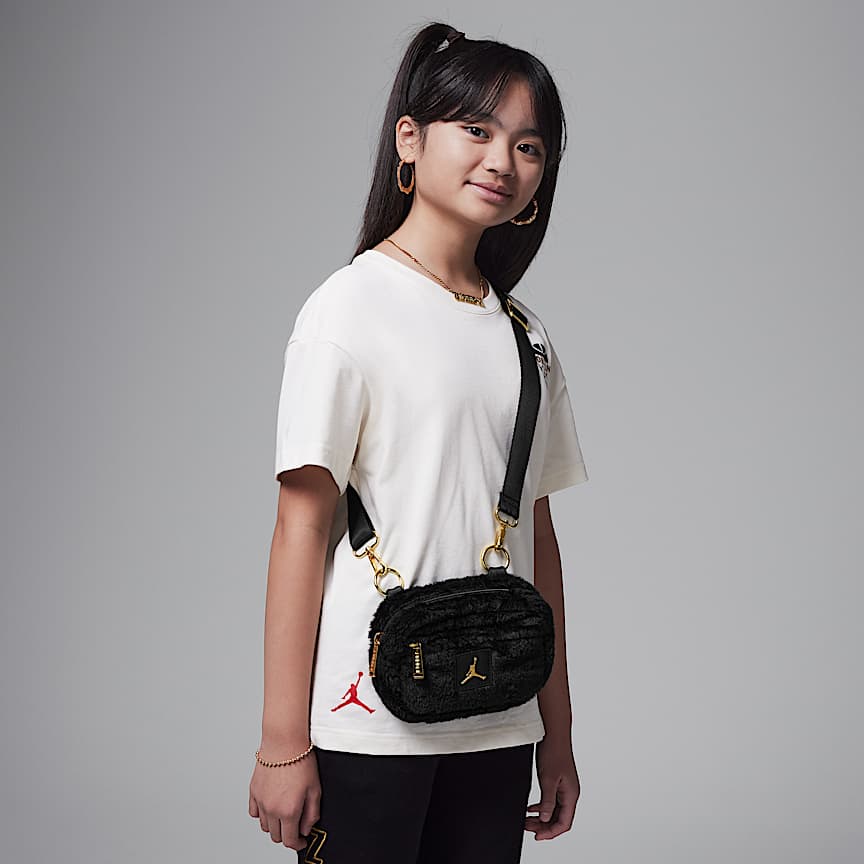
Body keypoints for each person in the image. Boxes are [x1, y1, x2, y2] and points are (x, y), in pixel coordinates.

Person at [248, 21, 590, 864]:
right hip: (368, 719)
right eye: (476, 129)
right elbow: (299, 526)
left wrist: (558, 735)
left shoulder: (526, 336)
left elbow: (539, 541)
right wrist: (282, 744)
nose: (502, 160)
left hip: (499, 713)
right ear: (410, 139)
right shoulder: (348, 308)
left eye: (528, 146)